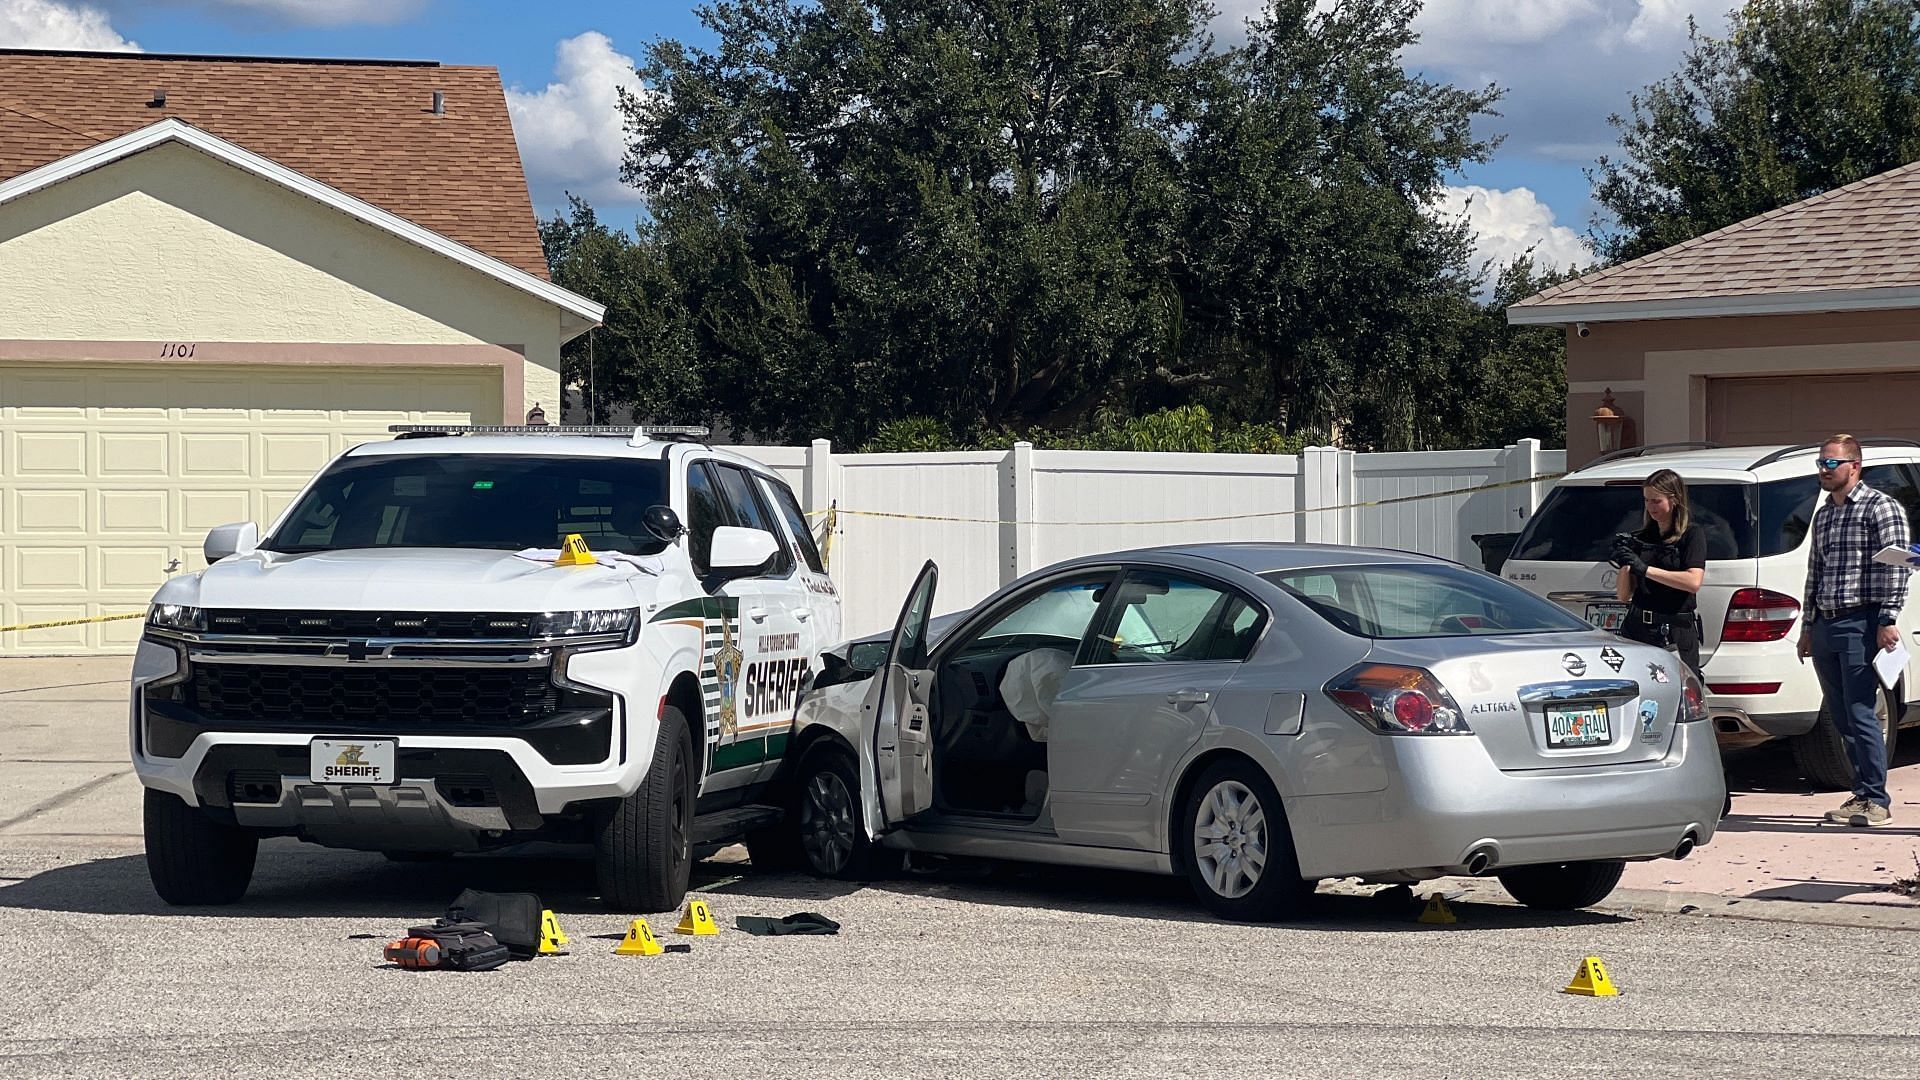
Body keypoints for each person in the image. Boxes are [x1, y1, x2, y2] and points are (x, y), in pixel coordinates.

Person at [1796, 434, 1912, 828]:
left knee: (1863, 711)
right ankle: (1860, 793)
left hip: (1862, 621)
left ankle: (1876, 799)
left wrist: (1886, 620)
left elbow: (1895, 567)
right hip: (1827, 622)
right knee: (1841, 714)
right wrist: (1808, 627)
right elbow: (1817, 570)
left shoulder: (1882, 508)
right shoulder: (1825, 513)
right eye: (1820, 463)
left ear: (1854, 466)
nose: (1823, 471)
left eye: (1831, 463)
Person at [1611, 468, 1707, 675]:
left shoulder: (1691, 534)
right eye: (1646, 501)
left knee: (1681, 690)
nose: (1650, 507)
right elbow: (1623, 595)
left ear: (1674, 500)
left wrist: (1645, 569)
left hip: (1675, 628)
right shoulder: (1643, 536)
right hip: (1639, 625)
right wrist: (1626, 562)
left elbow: (1693, 581)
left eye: (1656, 501)